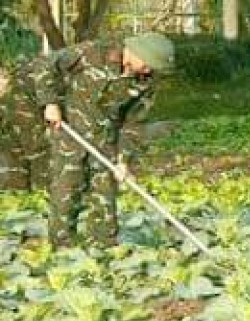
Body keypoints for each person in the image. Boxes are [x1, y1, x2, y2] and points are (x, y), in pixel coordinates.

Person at [34, 33, 175, 250]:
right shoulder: (93, 52)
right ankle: (62, 250)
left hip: (105, 139)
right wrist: (49, 103)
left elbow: (134, 124)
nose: (149, 71)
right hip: (69, 132)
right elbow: (46, 65)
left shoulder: (146, 81)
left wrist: (124, 160)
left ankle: (103, 249)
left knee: (104, 197)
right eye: (147, 65)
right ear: (137, 54)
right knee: (67, 191)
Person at [0, 55, 51, 193]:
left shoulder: (20, 93)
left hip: (39, 162)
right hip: (11, 164)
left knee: (37, 151)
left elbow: (38, 148)